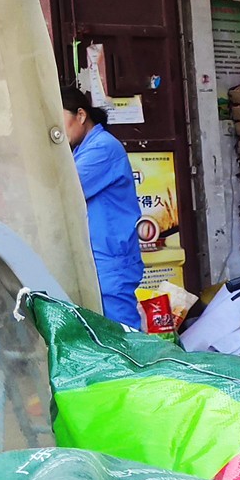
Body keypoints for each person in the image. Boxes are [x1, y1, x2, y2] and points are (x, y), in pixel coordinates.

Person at [61, 86, 143, 328]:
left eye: (59, 119)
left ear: (81, 115)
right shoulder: (82, 149)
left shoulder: (103, 148)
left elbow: (62, 190)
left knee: (122, 336)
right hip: (100, 260)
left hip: (109, 261)